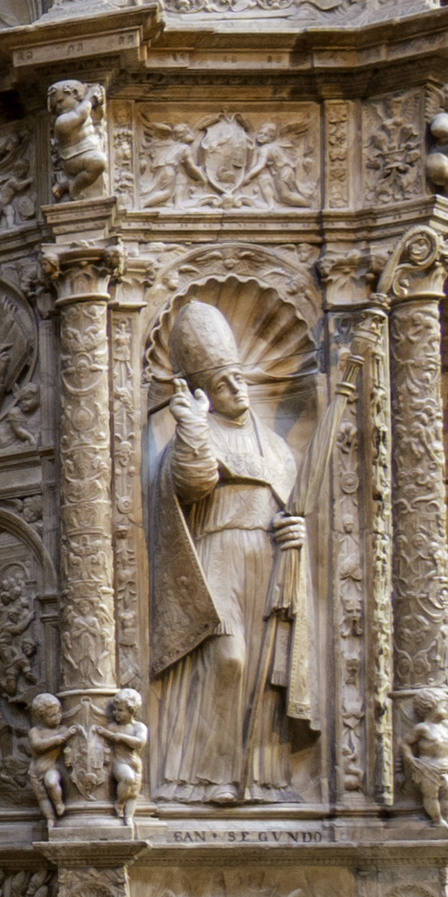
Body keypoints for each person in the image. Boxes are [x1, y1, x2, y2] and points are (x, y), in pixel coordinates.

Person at [148, 299, 313, 798]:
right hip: (216, 558)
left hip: (266, 560)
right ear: (205, 393)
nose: (238, 389)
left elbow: (293, 512)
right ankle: (208, 775)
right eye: (223, 384)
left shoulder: (278, 449)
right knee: (230, 659)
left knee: (266, 668)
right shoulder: (196, 433)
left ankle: (261, 779)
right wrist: (192, 424)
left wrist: (295, 534)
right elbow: (192, 483)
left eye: (239, 378)